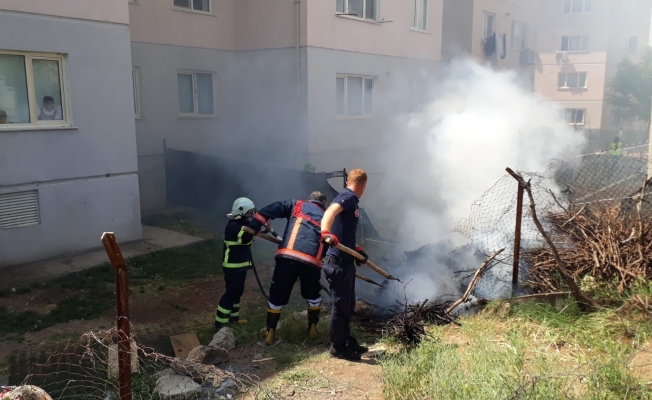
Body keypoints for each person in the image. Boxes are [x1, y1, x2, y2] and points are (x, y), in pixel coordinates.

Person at [248, 191, 328, 345]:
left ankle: (270, 333)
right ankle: (312, 328)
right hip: (311, 262)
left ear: (309, 199)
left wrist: (254, 225)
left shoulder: (296, 204)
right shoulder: (328, 216)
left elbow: (269, 209)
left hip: (288, 257)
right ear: (323, 202)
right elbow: (332, 240)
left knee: (277, 296)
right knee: (312, 295)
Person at [320, 169, 369, 361]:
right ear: (363, 185)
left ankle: (347, 341)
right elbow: (329, 213)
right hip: (337, 264)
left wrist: (356, 251)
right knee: (340, 308)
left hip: (347, 262)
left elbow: (344, 231)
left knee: (348, 306)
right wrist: (325, 233)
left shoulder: (351, 200)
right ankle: (337, 348)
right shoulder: (347, 196)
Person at [214, 197, 257, 330]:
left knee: (238, 291)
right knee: (231, 293)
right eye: (249, 212)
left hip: (240, 265)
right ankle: (220, 323)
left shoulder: (242, 224)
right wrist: (256, 226)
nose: (251, 214)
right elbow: (244, 239)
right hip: (232, 266)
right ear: (242, 211)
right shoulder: (233, 226)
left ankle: (233, 319)